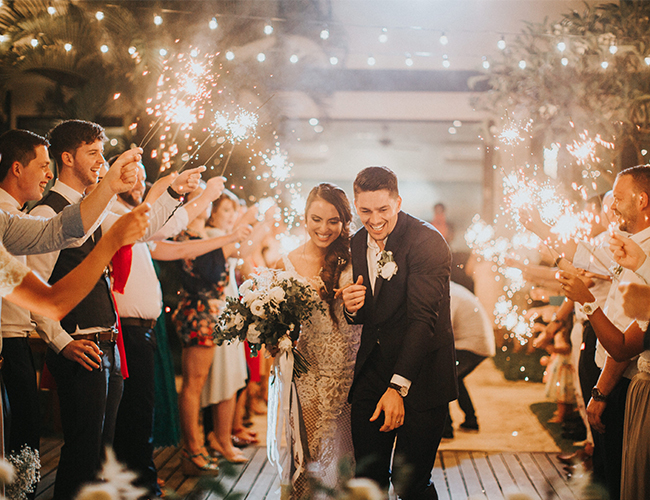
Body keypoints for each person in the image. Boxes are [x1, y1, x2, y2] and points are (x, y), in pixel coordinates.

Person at [27, 119, 202, 500]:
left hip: (108, 345)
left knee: (102, 454)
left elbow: (140, 228)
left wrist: (172, 191)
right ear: (67, 157)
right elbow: (36, 292)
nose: (101, 161)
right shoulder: (46, 214)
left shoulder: (93, 211)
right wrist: (61, 343)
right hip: (80, 345)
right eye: (94, 153)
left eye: (102, 153)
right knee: (81, 453)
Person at [0, 128, 142, 470]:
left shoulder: (8, 221)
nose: (48, 175)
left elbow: (56, 233)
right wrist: (109, 244)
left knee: (24, 457)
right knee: (29, 459)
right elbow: (49, 302)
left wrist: (109, 186)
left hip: (13, 351)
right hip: (12, 348)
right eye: (42, 164)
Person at [529, 165, 650, 500]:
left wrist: (600, 392)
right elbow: (584, 257)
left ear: (642, 201)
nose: (610, 207)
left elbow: (628, 341)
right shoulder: (630, 244)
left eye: (619, 199)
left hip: (624, 377)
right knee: (609, 463)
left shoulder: (643, 253)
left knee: (618, 470)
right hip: (611, 365)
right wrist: (538, 227)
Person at [110, 156, 227, 497]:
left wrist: (183, 195)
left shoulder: (138, 217)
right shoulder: (118, 214)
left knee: (140, 410)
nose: (139, 184)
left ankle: (138, 477)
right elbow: (166, 228)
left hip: (143, 327)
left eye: (144, 179)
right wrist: (186, 194)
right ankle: (138, 483)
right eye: (133, 176)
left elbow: (167, 230)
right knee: (133, 412)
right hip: (126, 328)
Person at [341, 166, 457, 499]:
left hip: (421, 377)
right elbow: (370, 315)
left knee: (411, 484)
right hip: (372, 373)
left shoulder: (428, 242)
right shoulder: (357, 241)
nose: (374, 220)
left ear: (398, 202)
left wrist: (397, 386)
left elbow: (423, 319)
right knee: (367, 479)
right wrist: (352, 307)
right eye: (365, 211)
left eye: (383, 210)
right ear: (355, 206)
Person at [272, 183, 360, 498]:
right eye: (316, 219)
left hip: (354, 372)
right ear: (305, 217)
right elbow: (279, 320)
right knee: (307, 457)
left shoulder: (358, 255)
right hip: (308, 373)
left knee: (350, 459)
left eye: (333, 221)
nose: (324, 229)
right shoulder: (288, 261)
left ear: (344, 221)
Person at [166, 185, 252, 476]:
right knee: (193, 384)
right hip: (198, 312)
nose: (207, 203)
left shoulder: (200, 236)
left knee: (198, 383)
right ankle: (192, 449)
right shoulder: (187, 236)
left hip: (210, 313)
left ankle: (198, 446)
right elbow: (208, 271)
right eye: (200, 199)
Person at [442, 282, 495, 439]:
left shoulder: (450, 294)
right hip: (478, 344)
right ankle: (470, 421)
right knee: (455, 379)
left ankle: (445, 430)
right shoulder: (454, 289)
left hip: (471, 345)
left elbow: (445, 327)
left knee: (440, 380)